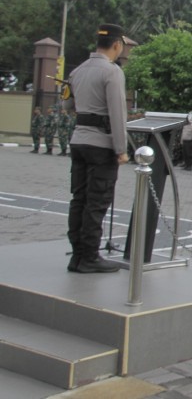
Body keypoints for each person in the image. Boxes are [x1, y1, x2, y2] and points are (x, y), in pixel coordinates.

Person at [63, 23, 128, 274]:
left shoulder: (78, 70)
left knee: (79, 199)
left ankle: (77, 255)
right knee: (96, 202)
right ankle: (89, 256)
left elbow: (67, 105)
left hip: (79, 140)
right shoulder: (112, 72)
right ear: (116, 45)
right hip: (101, 144)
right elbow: (117, 112)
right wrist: (121, 149)